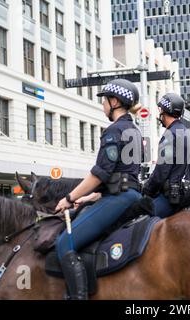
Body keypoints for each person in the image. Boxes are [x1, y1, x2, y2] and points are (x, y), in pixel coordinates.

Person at [54, 79, 143, 300]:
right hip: (132, 195)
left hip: (119, 198)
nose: (103, 105)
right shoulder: (135, 130)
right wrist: (91, 197)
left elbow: (100, 173)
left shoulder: (114, 130)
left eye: (104, 100)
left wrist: (69, 197)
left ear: (114, 102)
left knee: (65, 243)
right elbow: (121, 172)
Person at [142, 93, 190, 218]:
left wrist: (147, 190)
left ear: (164, 111)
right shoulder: (188, 133)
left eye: (160, 110)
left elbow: (162, 171)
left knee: (140, 217)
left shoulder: (170, 135)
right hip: (187, 193)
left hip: (171, 196)